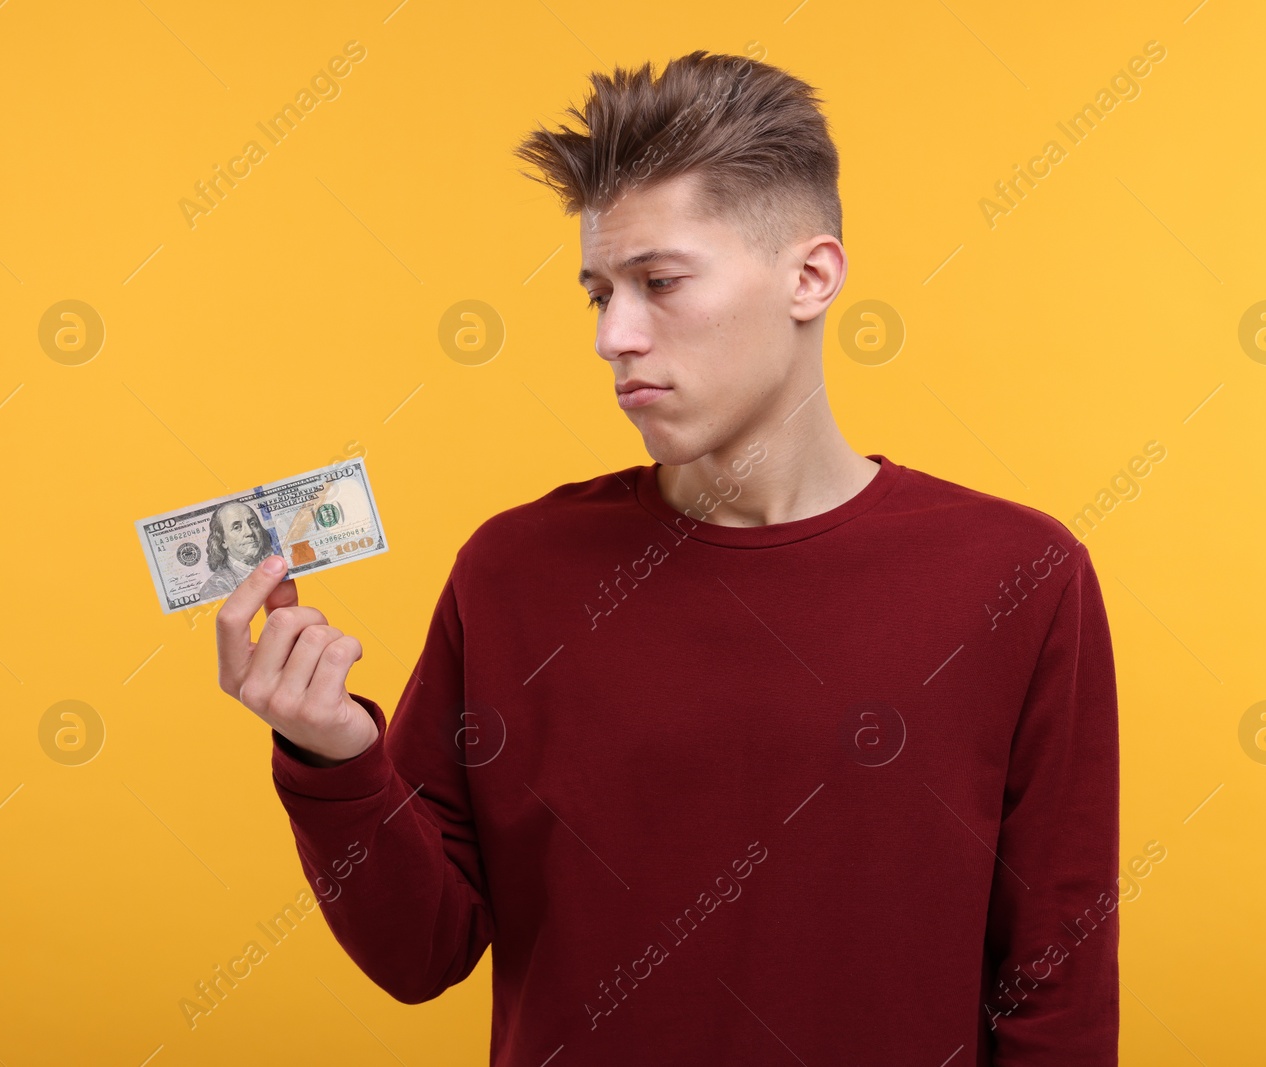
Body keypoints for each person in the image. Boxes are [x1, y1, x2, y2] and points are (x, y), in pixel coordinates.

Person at [215, 49, 1119, 1065]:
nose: (614, 334)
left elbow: (1057, 984)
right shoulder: (513, 571)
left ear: (810, 276)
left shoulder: (1018, 576)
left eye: (659, 281)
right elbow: (420, 949)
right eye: (598, 291)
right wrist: (331, 753)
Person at [198, 501, 275, 600]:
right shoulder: (215, 588)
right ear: (222, 541)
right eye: (237, 527)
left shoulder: (280, 567)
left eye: (252, 523)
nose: (249, 532)